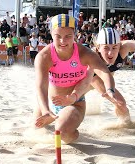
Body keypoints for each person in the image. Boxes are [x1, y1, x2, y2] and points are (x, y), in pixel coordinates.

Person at [34, 14, 121, 144]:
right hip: (51, 103)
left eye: (68, 36)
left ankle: (73, 133)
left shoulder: (84, 53)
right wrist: (46, 110)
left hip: (74, 102)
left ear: (75, 34)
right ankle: (54, 117)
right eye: (58, 36)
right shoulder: (44, 56)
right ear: (51, 34)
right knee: (35, 131)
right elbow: (41, 86)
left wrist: (110, 90)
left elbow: (105, 72)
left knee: (62, 133)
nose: (63, 41)